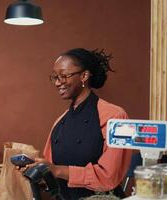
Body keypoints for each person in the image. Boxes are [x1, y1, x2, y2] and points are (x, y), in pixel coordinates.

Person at [34, 48, 132, 199]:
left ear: (84, 75)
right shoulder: (60, 122)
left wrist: (58, 170)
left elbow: (109, 177)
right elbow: (50, 171)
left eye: (64, 76)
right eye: (55, 77)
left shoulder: (116, 116)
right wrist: (38, 171)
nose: (58, 83)